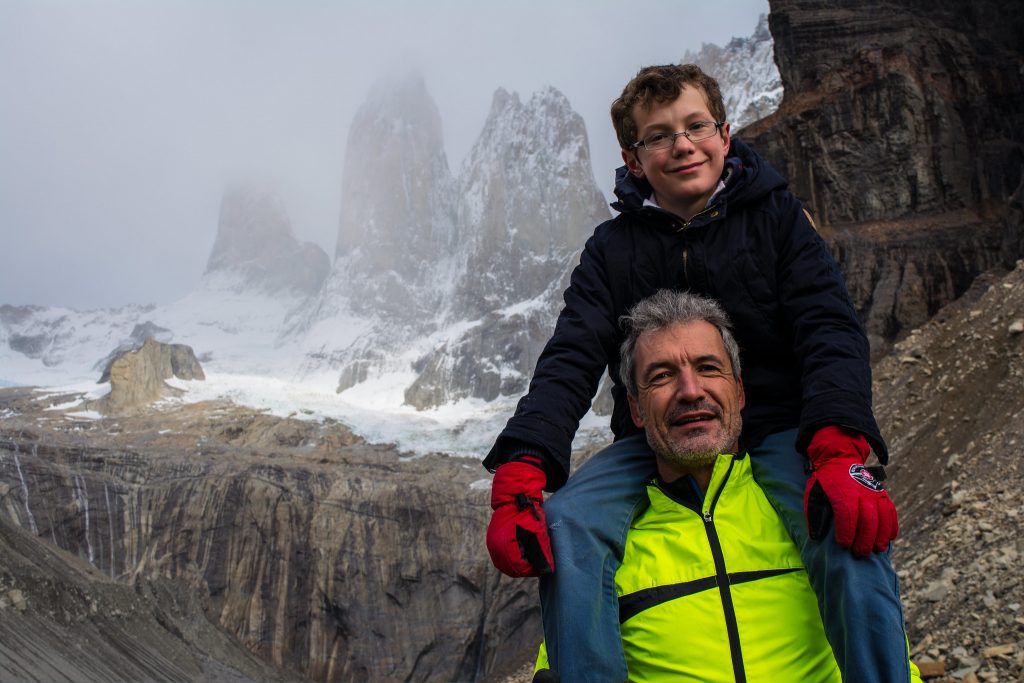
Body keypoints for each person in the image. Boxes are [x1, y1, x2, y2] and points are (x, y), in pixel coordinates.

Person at [484, 64, 905, 681]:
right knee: (569, 525)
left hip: (784, 427)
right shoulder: (612, 249)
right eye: (659, 136)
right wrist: (524, 468)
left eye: (695, 126)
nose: (682, 144)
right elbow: (571, 356)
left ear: (724, 134)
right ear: (633, 159)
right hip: (657, 442)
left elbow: (828, 328)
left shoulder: (778, 218)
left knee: (845, 529)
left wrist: (838, 449)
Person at [531, 291, 918, 682]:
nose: (690, 390)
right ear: (635, 410)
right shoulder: (596, 552)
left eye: (708, 368)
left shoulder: (814, 516)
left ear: (740, 391)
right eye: (662, 376)